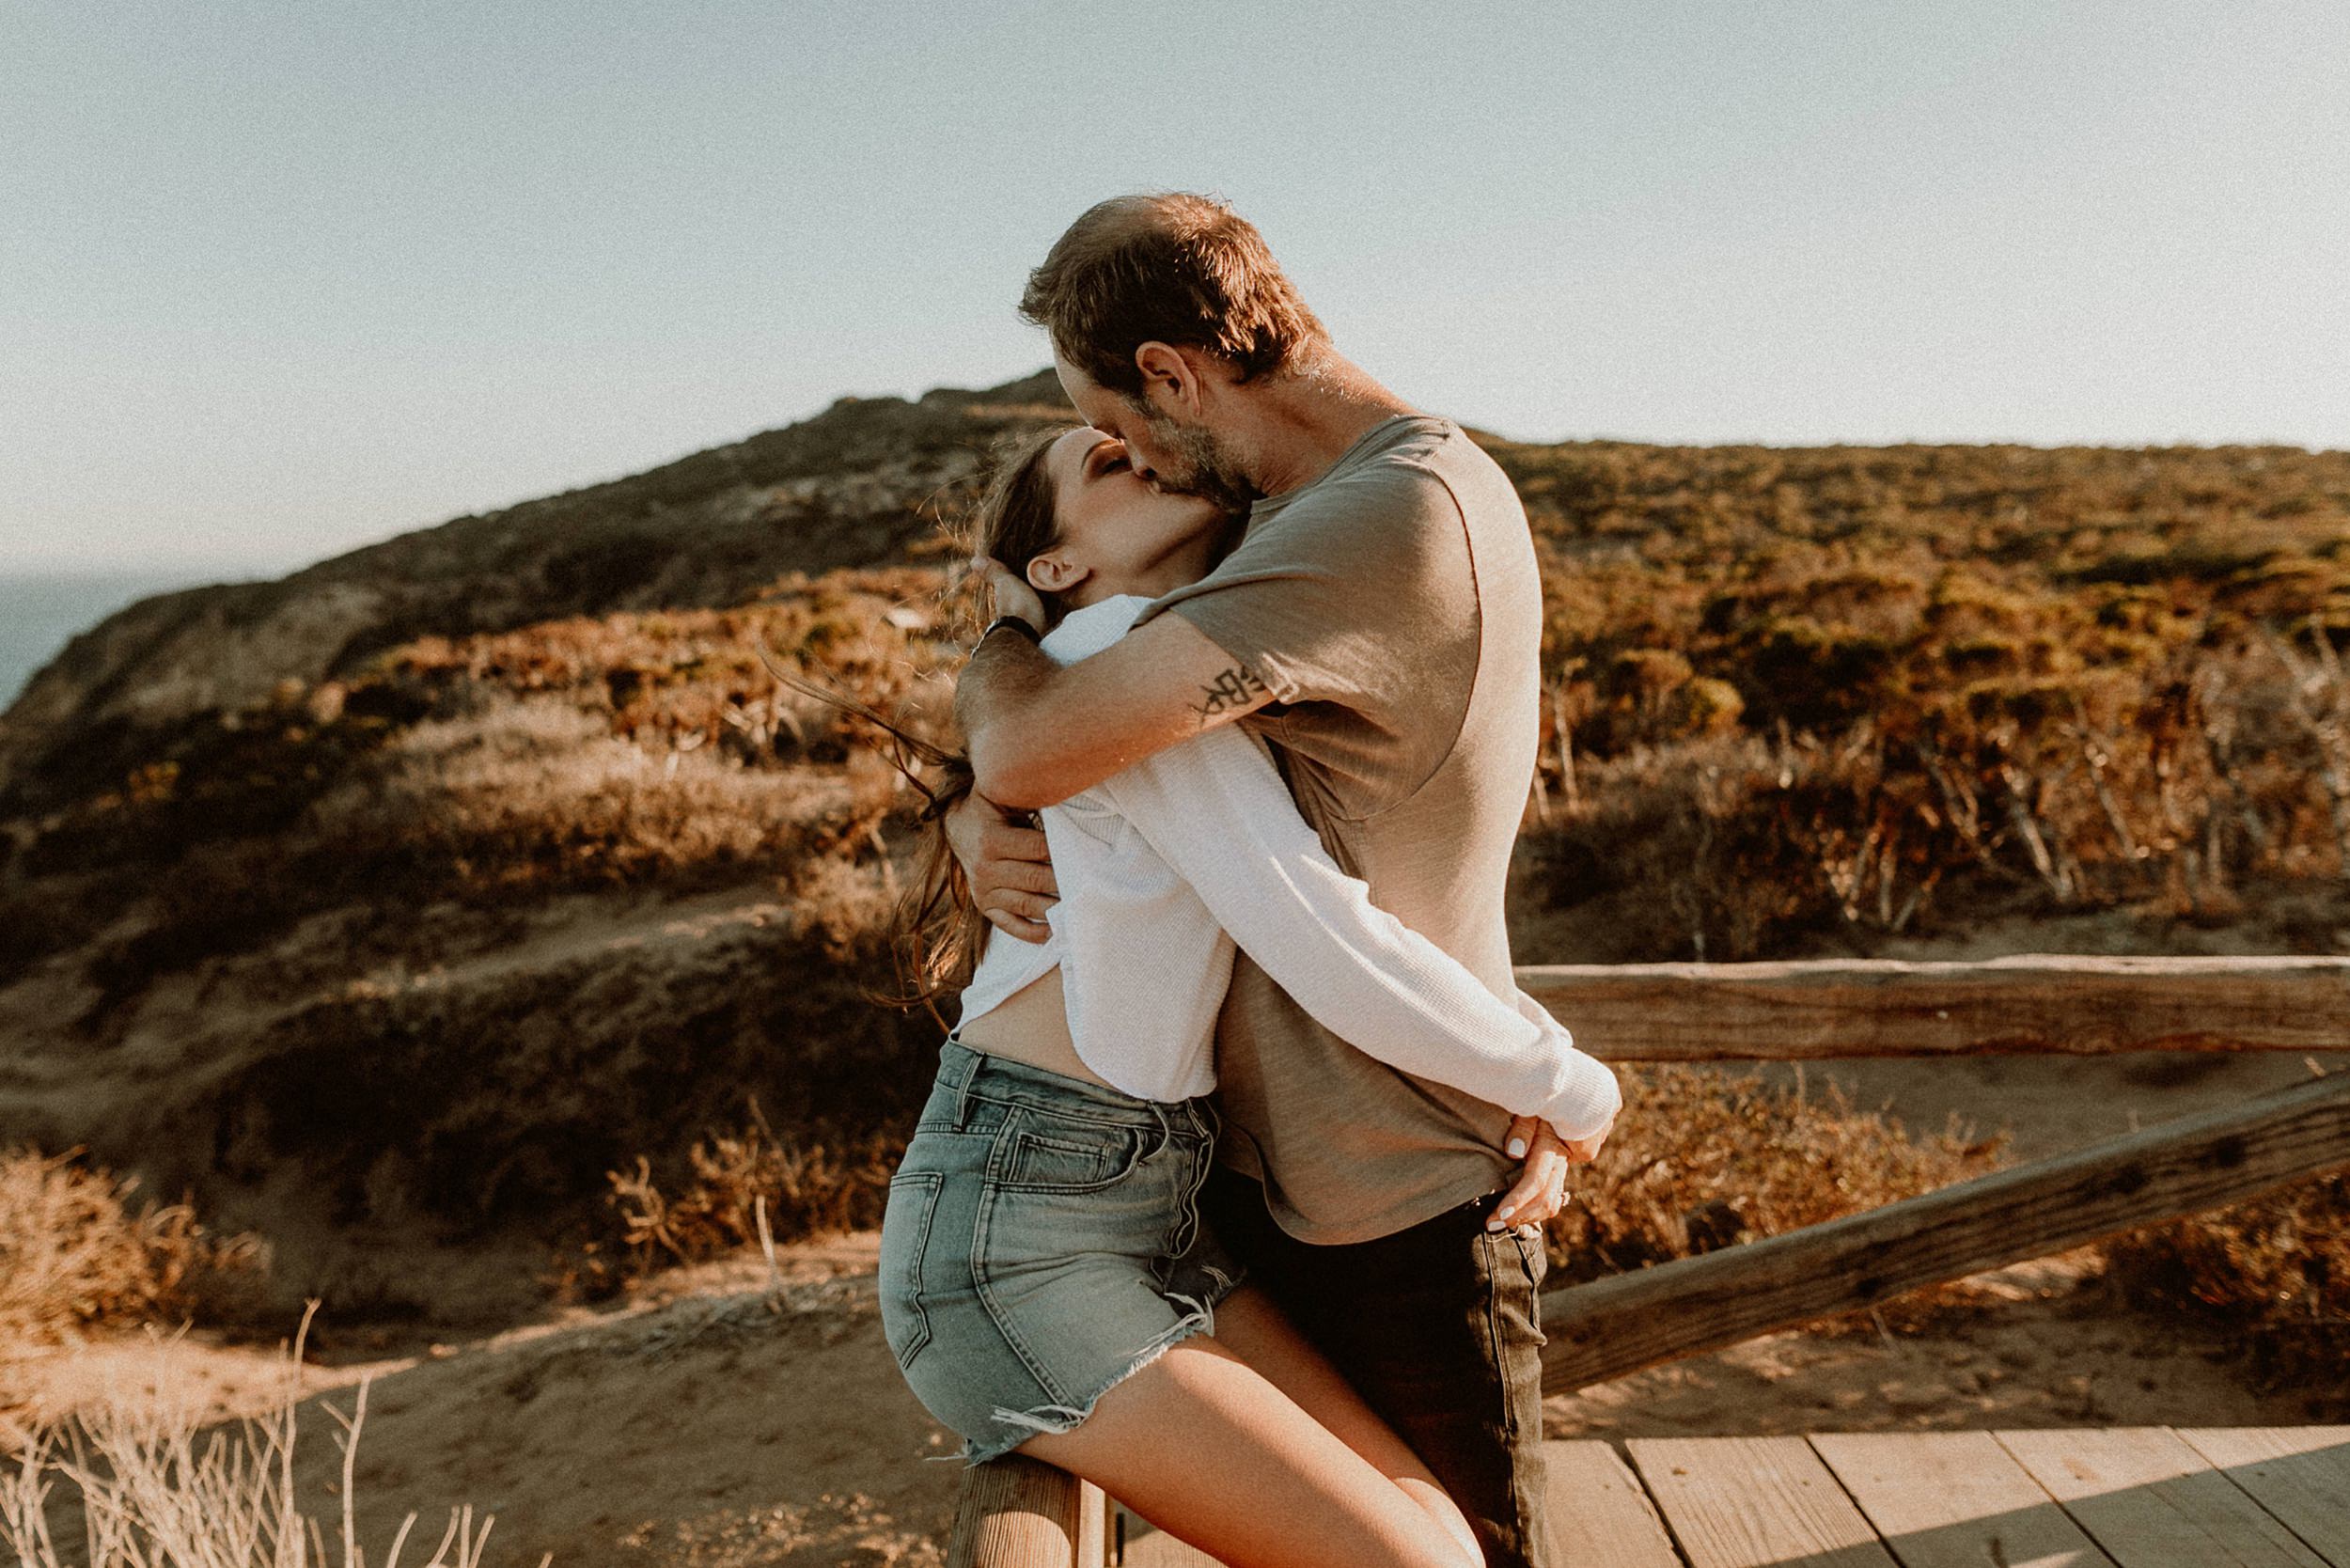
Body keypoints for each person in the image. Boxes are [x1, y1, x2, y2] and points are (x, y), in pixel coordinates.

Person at [947, 192, 1596, 1568]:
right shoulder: (1294, 518)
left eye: (1121, 427)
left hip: (1395, 1181)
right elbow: (1086, 767)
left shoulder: (1385, 519)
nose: (1129, 454)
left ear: (1175, 376)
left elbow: (1038, 735)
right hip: (1266, 1174)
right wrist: (983, 821)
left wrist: (1004, 632)